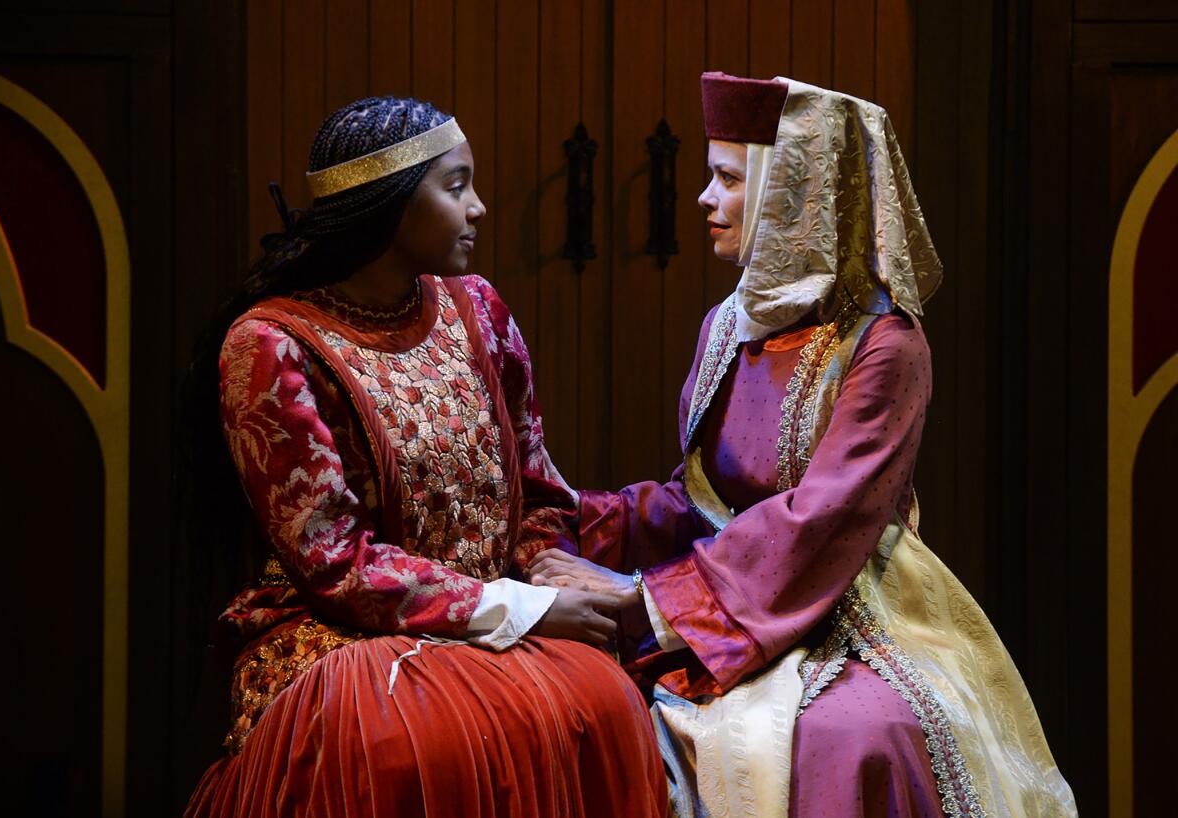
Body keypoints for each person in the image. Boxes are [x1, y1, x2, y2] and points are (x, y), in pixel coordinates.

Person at [528, 73, 1077, 818]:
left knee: (854, 736)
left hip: (857, 595)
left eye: (726, 178)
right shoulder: (731, 324)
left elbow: (828, 516)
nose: (702, 198)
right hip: (729, 591)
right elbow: (702, 499)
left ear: (794, 191)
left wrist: (642, 601)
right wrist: (573, 522)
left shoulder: (884, 343)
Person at [182, 96, 668, 817]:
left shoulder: (478, 307)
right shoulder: (271, 343)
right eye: (455, 185)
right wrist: (520, 608)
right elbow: (334, 563)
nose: (477, 208)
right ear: (391, 204)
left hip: (495, 609)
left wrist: (548, 572)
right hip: (341, 630)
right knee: (415, 740)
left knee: (605, 697)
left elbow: (536, 491)